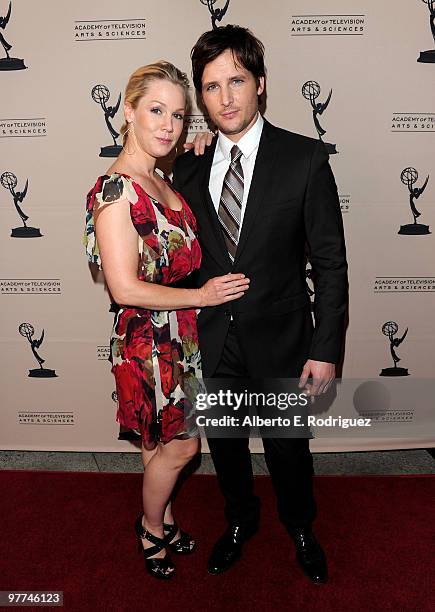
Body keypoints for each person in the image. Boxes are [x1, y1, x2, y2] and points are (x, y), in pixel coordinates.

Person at [172, 26, 348, 583]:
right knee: (225, 446)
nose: (225, 98)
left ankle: (301, 526)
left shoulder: (305, 159)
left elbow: (330, 265)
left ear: (261, 84)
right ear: (201, 97)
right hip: (215, 340)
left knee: (289, 450)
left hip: (285, 343)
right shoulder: (188, 165)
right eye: (211, 86)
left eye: (237, 81)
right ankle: (239, 520)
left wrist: (326, 351)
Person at [83, 61, 250, 580]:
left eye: (178, 116)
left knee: (158, 443)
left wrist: (201, 144)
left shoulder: (159, 177)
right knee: (183, 446)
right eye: (155, 111)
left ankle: (167, 518)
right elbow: (123, 286)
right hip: (147, 339)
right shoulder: (116, 191)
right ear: (127, 111)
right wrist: (200, 295)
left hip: (180, 335)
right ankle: (150, 528)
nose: (168, 126)